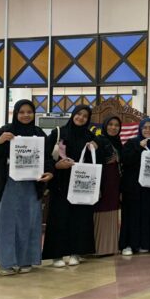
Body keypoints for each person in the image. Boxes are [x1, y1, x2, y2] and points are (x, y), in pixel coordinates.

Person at [0, 99, 54, 275]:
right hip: (6, 186)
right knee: (5, 224)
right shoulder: (5, 131)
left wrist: (50, 172)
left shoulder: (39, 133)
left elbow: (47, 158)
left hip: (30, 186)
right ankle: (6, 263)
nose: (26, 115)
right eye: (21, 112)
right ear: (15, 113)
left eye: (29, 112)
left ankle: (25, 260)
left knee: (28, 224)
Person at [42, 105, 101, 267]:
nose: (81, 118)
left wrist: (96, 147)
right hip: (61, 183)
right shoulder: (58, 133)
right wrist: (56, 167)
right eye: (78, 114)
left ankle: (76, 252)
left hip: (82, 184)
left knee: (80, 218)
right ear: (73, 114)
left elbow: (99, 156)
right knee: (59, 218)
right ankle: (57, 255)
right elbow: (45, 156)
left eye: (85, 116)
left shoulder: (90, 137)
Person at [119, 118, 150, 255]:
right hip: (132, 187)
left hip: (149, 188)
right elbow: (125, 160)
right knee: (131, 215)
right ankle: (128, 244)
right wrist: (139, 147)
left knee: (147, 214)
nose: (148, 130)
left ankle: (146, 243)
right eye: (145, 127)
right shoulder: (132, 143)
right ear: (140, 129)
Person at [93, 116, 123, 256]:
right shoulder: (98, 141)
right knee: (100, 211)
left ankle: (110, 247)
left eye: (116, 125)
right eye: (110, 124)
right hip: (101, 181)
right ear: (105, 126)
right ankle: (98, 248)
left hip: (114, 182)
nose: (113, 127)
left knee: (112, 211)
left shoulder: (118, 143)